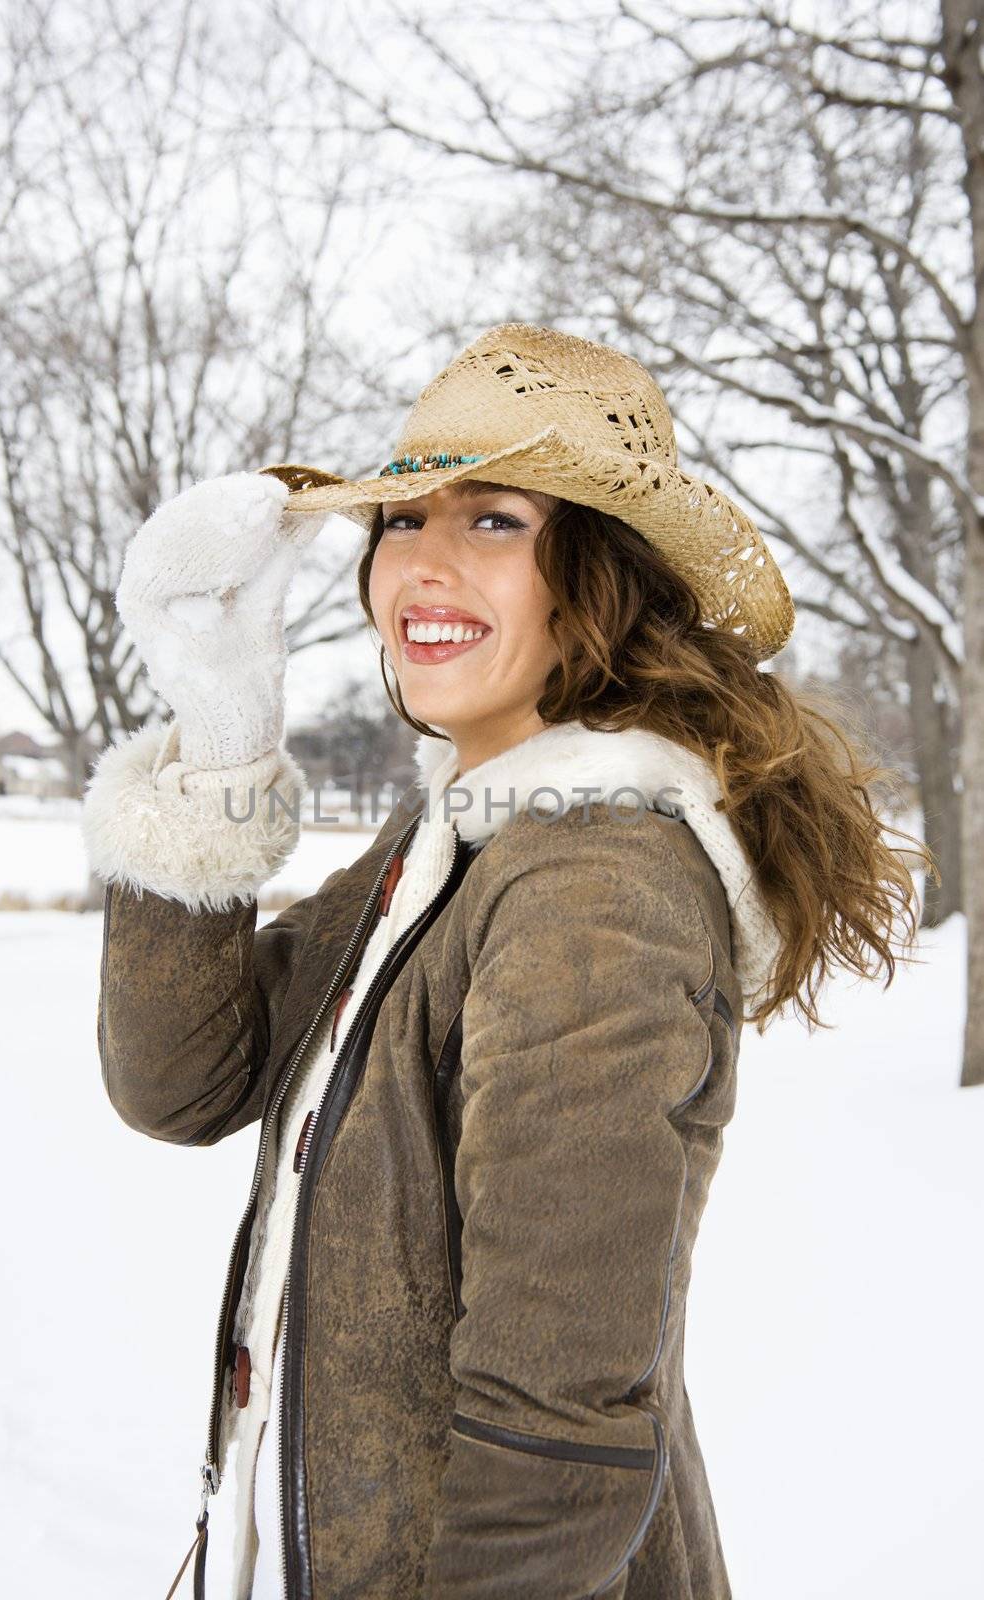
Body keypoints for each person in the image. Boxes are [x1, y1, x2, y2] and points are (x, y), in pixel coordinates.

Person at [80, 322, 932, 1600]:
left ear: (601, 574)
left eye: (492, 522)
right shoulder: (454, 839)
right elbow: (188, 1080)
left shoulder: (589, 884)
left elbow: (559, 1419)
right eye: (403, 520)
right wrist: (219, 728)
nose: (420, 566)